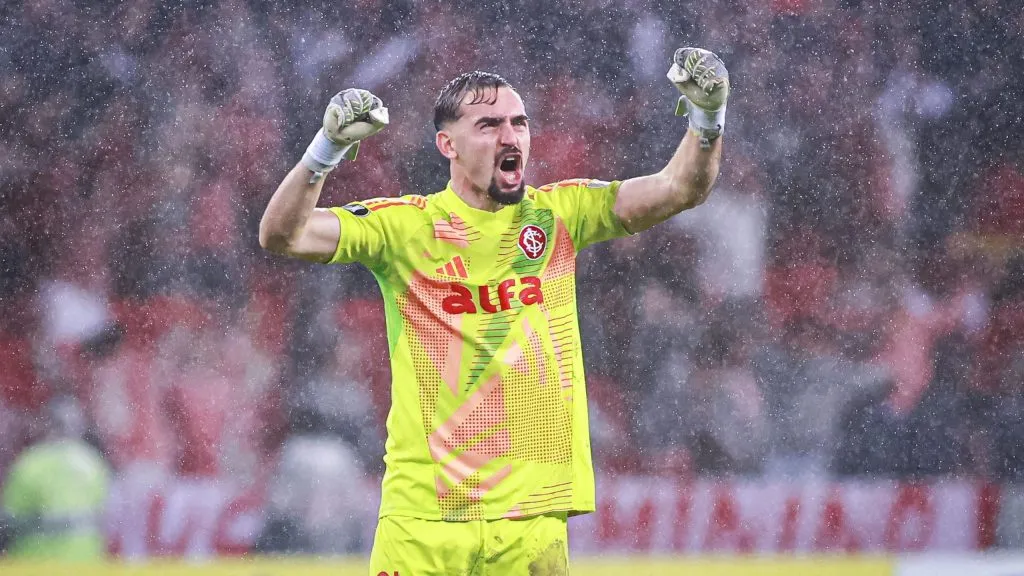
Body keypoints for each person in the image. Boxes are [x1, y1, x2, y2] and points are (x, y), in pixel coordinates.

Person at [259, 47, 729, 575]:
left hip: (531, 523)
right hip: (425, 520)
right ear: (448, 145)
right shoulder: (406, 227)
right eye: (489, 125)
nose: (511, 137)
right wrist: (326, 150)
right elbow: (283, 234)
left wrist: (707, 118)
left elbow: (681, 187)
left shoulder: (560, 215)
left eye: (519, 123)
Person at [1, 396, 112, 560]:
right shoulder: (94, 464)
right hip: (85, 562)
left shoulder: (30, 463)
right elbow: (108, 517)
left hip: (36, 563)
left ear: (46, 425)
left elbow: (7, 520)